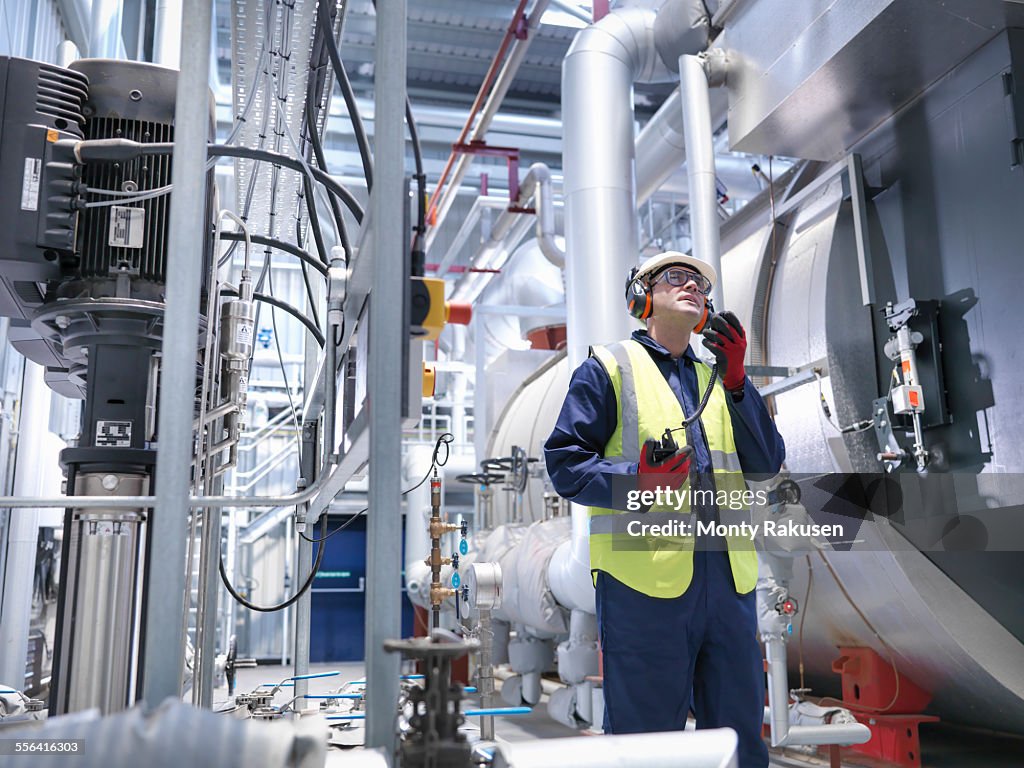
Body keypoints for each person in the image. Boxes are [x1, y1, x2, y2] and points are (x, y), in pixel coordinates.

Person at [544, 251, 785, 767]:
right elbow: (565, 465)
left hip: (728, 582)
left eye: (699, 282)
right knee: (646, 743)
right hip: (643, 586)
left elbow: (765, 463)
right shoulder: (607, 368)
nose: (692, 286)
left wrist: (741, 383)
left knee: (740, 741)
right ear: (641, 297)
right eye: (676, 277)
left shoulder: (721, 380)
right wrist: (637, 480)